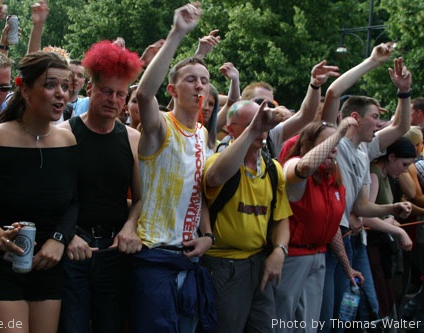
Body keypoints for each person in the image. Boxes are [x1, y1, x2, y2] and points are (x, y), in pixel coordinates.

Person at [0, 51, 78, 333]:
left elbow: (74, 201)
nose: (61, 94)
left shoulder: (67, 140)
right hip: (0, 267)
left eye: (65, 87)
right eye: (51, 85)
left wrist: (59, 240)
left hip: (48, 265)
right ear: (25, 89)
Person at [130, 4, 216, 333]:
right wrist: (177, 32)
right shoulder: (160, 127)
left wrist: (207, 236)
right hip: (153, 257)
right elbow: (144, 93)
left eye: (205, 81)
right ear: (172, 90)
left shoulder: (204, 134)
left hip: (191, 257)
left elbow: (199, 193)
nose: (199, 86)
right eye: (191, 80)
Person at [316, 45, 413, 332]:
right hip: (335, 241)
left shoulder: (363, 150)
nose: (380, 122)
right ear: (355, 118)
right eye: (374, 116)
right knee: (334, 316)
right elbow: (333, 94)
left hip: (357, 240)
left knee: (364, 308)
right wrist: (372, 61)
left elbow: (400, 127)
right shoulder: (336, 142)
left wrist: (404, 93)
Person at [57, 40, 143, 333]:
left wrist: (131, 226)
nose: (114, 99)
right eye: (106, 91)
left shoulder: (132, 138)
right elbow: (50, 197)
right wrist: (66, 236)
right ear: (90, 89)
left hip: (114, 253)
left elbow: (141, 198)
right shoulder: (64, 134)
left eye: (121, 94)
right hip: (72, 251)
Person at [202, 100, 292, 333]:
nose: (262, 130)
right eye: (253, 124)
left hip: (259, 264)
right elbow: (214, 177)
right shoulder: (217, 162)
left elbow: (282, 218)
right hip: (225, 266)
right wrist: (255, 128)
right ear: (231, 130)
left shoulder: (273, 169)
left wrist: (279, 251)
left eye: (264, 125)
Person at [275, 119, 363, 332]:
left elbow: (331, 228)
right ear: (308, 144)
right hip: (292, 258)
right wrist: (340, 130)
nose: (334, 146)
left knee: (308, 326)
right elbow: (305, 166)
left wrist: (347, 266)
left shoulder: (332, 177)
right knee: (282, 323)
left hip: (318, 256)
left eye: (337, 141)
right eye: (327, 141)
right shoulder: (293, 165)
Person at [240, 60, 339, 158]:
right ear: (243, 104)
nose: (265, 108)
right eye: (259, 102)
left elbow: (305, 116)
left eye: (270, 105)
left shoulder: (272, 135)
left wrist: (315, 85)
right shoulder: (231, 138)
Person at [366, 137, 416, 320]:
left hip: (382, 248)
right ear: (392, 157)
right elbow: (366, 219)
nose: (405, 170)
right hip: (372, 248)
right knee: (381, 302)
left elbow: (382, 213)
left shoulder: (386, 174)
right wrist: (400, 231)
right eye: (404, 165)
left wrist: (394, 215)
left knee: (389, 298)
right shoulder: (374, 174)